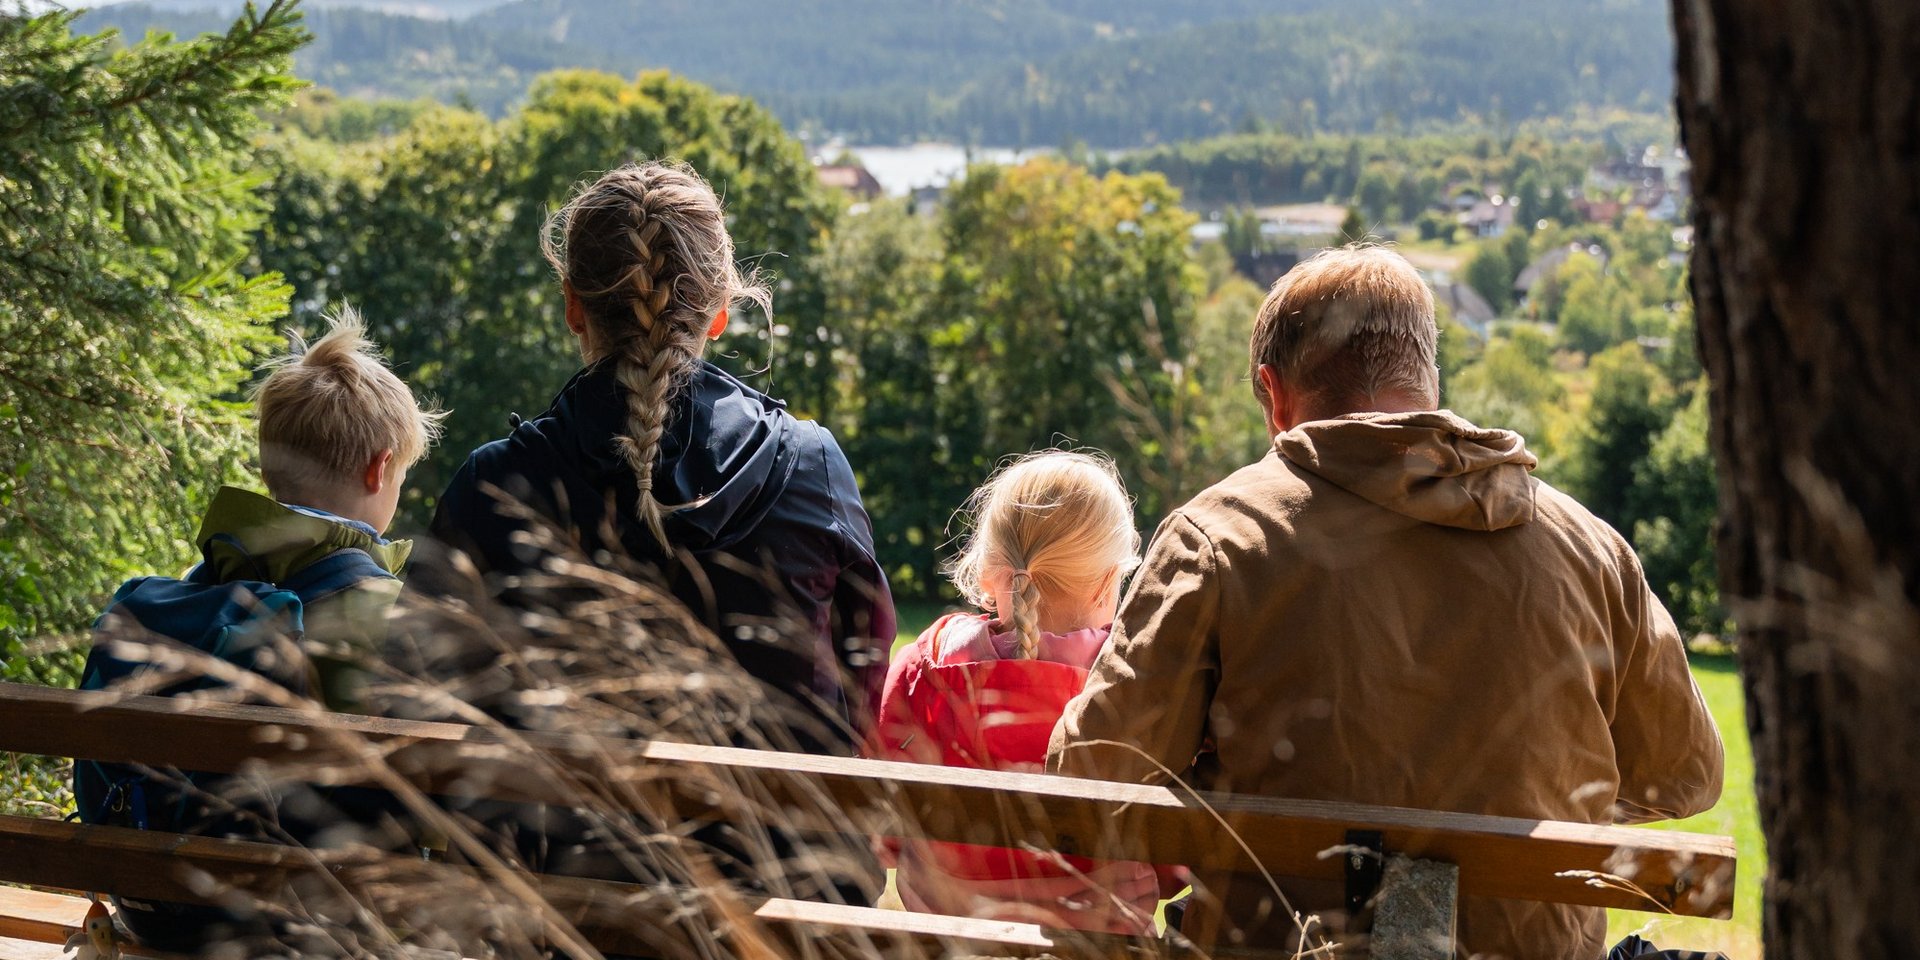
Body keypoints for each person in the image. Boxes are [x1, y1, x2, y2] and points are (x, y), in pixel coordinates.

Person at [1046, 246, 1724, 959]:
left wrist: (1220, 773)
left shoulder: (1220, 539)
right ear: (1427, 381)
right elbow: (1685, 776)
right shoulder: (1592, 549)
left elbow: (1089, 776)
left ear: (1274, 393)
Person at [430, 160, 895, 750]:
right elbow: (861, 699)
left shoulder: (493, 487)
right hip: (782, 841)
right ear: (721, 311)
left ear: (574, 305)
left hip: (550, 840)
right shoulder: (811, 469)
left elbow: (419, 696)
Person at [871, 451, 1161, 933]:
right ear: (1110, 580)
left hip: (947, 942)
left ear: (987, 571)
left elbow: (885, 830)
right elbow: (1173, 863)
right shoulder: (1133, 681)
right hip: (1103, 945)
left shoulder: (925, 667)